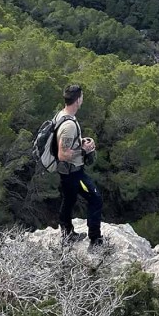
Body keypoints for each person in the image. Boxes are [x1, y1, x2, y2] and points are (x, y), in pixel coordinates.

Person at [55, 83, 104, 249]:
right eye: (82, 97)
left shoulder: (62, 116)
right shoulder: (69, 125)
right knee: (96, 199)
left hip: (67, 173)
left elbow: (64, 144)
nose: (82, 99)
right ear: (78, 100)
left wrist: (80, 142)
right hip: (73, 173)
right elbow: (63, 154)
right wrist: (82, 150)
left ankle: (68, 233)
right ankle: (95, 240)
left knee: (68, 201)